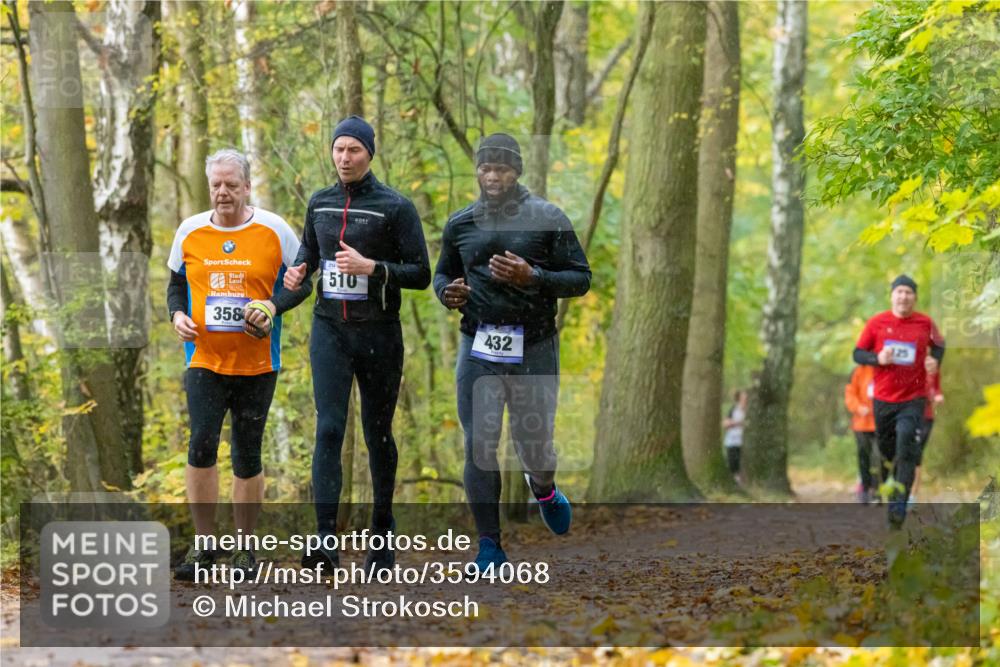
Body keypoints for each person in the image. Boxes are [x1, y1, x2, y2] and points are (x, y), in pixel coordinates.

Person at [433, 133, 591, 570]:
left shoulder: (547, 217)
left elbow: (580, 278)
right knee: (479, 445)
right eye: (485, 168)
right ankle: (489, 547)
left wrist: (533, 276)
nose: (492, 175)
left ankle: (543, 488)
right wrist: (448, 291)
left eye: (501, 168)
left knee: (534, 444)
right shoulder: (461, 223)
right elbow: (442, 272)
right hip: (478, 344)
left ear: (516, 171)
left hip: (534, 345)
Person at [283, 116, 430, 573]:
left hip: (379, 333)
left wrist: (374, 268)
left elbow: (422, 274)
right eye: (339, 150)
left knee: (377, 433)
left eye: (354, 151)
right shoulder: (320, 203)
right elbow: (309, 254)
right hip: (329, 330)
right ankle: (326, 540)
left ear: (370, 154)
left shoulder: (396, 207)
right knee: (329, 428)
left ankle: (382, 535)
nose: (345, 158)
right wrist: (297, 272)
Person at [168, 148, 310, 580]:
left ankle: (245, 549)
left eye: (232, 184)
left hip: (257, 363)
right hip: (205, 360)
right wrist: (176, 315)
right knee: (202, 444)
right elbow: (174, 284)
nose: (223, 192)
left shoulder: (275, 230)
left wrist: (272, 305)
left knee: (247, 452)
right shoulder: (190, 231)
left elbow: (303, 283)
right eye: (217, 185)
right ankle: (204, 546)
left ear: (247, 187)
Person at [854, 274, 945, 528]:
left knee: (907, 446)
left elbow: (940, 345)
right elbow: (858, 353)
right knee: (886, 451)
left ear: (914, 297)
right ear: (892, 295)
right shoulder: (877, 323)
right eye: (899, 292)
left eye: (908, 292)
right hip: (883, 399)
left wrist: (935, 360)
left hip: (913, 398)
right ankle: (884, 484)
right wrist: (878, 359)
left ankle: (898, 509)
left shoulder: (925, 323)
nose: (903, 296)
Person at [844, 365, 878, 504]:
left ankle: (876, 490)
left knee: (878, 456)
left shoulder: (887, 370)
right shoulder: (859, 370)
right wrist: (857, 407)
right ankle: (864, 488)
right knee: (864, 455)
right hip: (861, 423)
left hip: (881, 423)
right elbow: (850, 393)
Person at [910, 370, 944, 503]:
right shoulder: (908, 364)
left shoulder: (934, 370)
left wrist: (937, 396)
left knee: (917, 455)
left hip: (926, 418)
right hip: (908, 416)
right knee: (905, 453)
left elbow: (936, 389)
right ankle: (900, 491)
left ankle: (912, 495)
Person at [722, 390, 748, 481]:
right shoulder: (733, 409)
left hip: (743, 442)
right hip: (732, 441)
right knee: (733, 464)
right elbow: (725, 423)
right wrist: (737, 423)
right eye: (743, 398)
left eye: (746, 398)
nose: (745, 400)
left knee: (742, 464)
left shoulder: (749, 411)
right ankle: (735, 481)